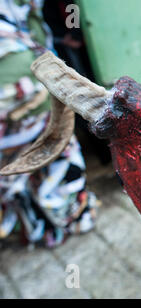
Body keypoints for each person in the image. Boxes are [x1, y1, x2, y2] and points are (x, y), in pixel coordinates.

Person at [0, 0, 97, 248]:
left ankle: (64, 218)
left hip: (41, 111)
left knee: (51, 166)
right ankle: (52, 223)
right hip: (18, 114)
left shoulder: (24, 13)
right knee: (24, 174)